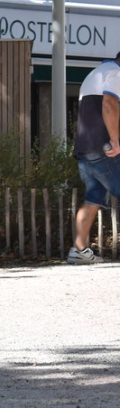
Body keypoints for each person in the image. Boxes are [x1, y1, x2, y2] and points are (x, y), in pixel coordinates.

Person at [68, 52, 120, 264]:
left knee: (93, 198)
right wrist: (116, 140)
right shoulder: (116, 73)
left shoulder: (95, 74)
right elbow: (109, 104)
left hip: (85, 150)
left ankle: (79, 250)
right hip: (103, 149)